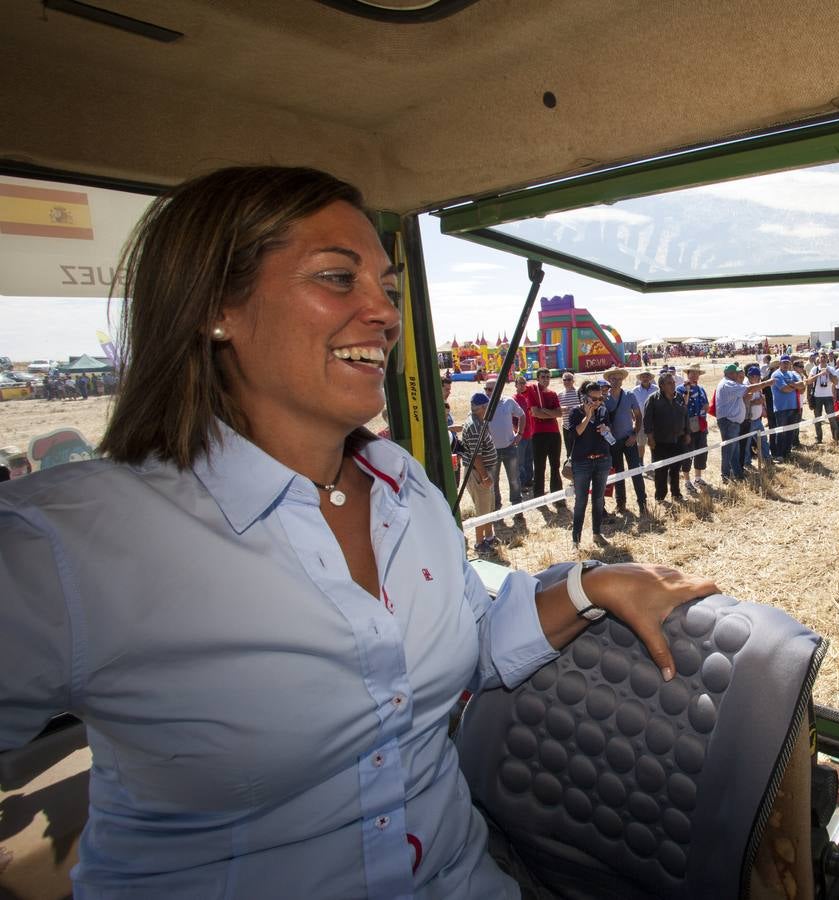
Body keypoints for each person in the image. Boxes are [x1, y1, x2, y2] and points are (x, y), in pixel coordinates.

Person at [0, 166, 715, 898]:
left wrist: (592, 584)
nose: (382, 312)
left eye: (390, 289)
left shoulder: (404, 488)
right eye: (338, 278)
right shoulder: (74, 540)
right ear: (217, 308)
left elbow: (469, 637)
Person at [566, 379, 616, 548]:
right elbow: (576, 433)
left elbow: (609, 431)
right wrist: (587, 416)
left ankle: (597, 533)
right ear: (585, 398)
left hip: (602, 460)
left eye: (600, 398)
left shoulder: (603, 410)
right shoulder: (575, 412)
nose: (597, 402)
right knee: (581, 501)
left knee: (598, 499)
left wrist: (606, 430)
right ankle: (576, 540)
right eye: (593, 399)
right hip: (582, 462)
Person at [602, 366, 647, 515]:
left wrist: (635, 434)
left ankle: (642, 503)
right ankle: (620, 504)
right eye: (613, 378)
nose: (615, 381)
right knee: (618, 474)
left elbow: (638, 416)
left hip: (629, 440)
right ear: (608, 380)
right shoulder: (603, 399)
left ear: (622, 380)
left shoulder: (629, 395)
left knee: (636, 471)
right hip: (613, 443)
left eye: (618, 378)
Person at [482, 377, 526, 523]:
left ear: (498, 389)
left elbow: (522, 415)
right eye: (486, 389)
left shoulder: (508, 402)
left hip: (509, 448)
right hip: (491, 451)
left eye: (490, 389)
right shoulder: (483, 405)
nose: (487, 392)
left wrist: (519, 434)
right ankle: (496, 510)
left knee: (514, 480)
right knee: (493, 482)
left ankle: (517, 509)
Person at [461, 392, 500, 554]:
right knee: (482, 510)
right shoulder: (475, 426)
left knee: (488, 506)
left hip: (482, 472)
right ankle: (479, 543)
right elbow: (477, 456)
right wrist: (484, 476)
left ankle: (489, 537)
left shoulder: (478, 421)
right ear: (482, 408)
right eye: (487, 406)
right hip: (478, 474)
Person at [643, 372, 691, 501]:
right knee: (661, 471)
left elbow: (685, 415)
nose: (673, 385)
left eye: (674, 382)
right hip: (660, 442)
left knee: (676, 469)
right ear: (661, 386)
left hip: (678, 440)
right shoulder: (653, 399)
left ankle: (676, 493)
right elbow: (647, 420)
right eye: (669, 383)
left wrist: (687, 433)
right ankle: (660, 496)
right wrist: (650, 438)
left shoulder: (679, 397)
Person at [528, 369, 564, 501]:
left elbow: (559, 414)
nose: (546, 379)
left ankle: (557, 496)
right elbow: (535, 412)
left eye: (548, 377)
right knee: (539, 467)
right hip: (538, 434)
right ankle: (538, 497)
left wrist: (545, 411)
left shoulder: (553, 394)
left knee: (555, 465)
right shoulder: (532, 392)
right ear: (538, 378)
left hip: (554, 433)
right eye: (543, 377)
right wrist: (550, 413)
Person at [676, 366, 710, 489]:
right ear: (688, 374)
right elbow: (681, 405)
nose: (695, 376)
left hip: (700, 425)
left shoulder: (701, 389)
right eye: (693, 373)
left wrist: (704, 408)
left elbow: (706, 404)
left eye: (697, 373)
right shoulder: (680, 389)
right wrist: (687, 391)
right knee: (687, 453)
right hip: (687, 427)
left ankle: (698, 478)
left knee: (701, 452)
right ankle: (687, 481)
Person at [770, 355, 803, 461]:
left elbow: (802, 385)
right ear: (780, 363)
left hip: (793, 407)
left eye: (787, 363)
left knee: (790, 432)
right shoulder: (776, 374)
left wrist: (792, 384)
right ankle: (779, 454)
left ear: (790, 364)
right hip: (781, 408)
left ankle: (787, 452)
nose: (785, 364)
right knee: (781, 432)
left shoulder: (792, 373)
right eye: (784, 362)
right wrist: (795, 386)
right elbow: (784, 389)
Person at [512, 371, 536, 493]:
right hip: (520, 435)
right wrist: (517, 431)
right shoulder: (513, 399)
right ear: (515, 385)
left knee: (529, 459)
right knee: (520, 461)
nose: (522, 385)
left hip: (529, 434)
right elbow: (511, 418)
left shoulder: (526, 398)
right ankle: (521, 484)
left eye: (524, 383)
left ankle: (528, 481)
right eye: (520, 383)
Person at [630, 369, 659, 468]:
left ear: (650, 378)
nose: (645, 378)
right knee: (640, 443)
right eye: (643, 376)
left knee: (653, 442)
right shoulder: (635, 390)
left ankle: (654, 461)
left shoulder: (656, 389)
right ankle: (640, 462)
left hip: (654, 421)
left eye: (647, 376)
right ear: (640, 378)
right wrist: (632, 416)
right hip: (640, 421)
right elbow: (631, 405)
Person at [808, 354, 837, 442]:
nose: (823, 359)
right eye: (822, 357)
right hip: (817, 397)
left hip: (828, 396)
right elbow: (809, 381)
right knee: (817, 418)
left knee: (831, 418)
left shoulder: (831, 368)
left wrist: (829, 373)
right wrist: (819, 374)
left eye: (825, 357)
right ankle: (819, 438)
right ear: (819, 359)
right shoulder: (814, 369)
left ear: (827, 358)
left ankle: (835, 438)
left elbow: (836, 382)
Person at [558, 370, 581, 458]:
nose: (567, 381)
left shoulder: (579, 392)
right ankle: (570, 470)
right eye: (565, 380)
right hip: (566, 427)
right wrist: (562, 409)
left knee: (580, 450)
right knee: (569, 452)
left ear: (573, 381)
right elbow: (556, 410)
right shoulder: (559, 394)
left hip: (579, 426)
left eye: (569, 379)